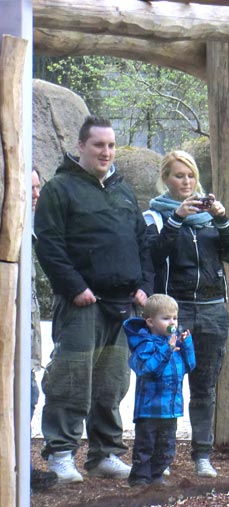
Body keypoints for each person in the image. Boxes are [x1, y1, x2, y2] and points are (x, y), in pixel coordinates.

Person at [34, 115, 154, 484]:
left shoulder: (123, 190)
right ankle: (61, 453)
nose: (106, 152)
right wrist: (74, 287)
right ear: (81, 146)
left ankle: (105, 454)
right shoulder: (60, 188)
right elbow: (49, 245)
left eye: (111, 145)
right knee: (71, 379)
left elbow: (142, 241)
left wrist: (143, 286)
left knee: (112, 382)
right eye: (99, 144)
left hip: (123, 304)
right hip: (82, 303)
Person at [145, 150, 229, 478]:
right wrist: (177, 220)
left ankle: (202, 455)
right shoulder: (157, 216)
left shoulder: (209, 218)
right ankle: (164, 457)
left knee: (205, 387)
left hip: (213, 311)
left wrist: (223, 218)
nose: (185, 182)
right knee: (168, 382)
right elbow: (156, 256)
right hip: (176, 310)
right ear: (165, 179)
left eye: (190, 176)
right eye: (178, 175)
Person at [123, 294, 195, 486]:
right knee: (145, 445)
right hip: (149, 409)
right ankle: (140, 478)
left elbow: (190, 367)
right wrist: (167, 350)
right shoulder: (145, 345)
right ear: (150, 322)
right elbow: (148, 370)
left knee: (166, 446)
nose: (172, 322)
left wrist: (186, 345)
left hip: (170, 409)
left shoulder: (173, 344)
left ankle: (157, 476)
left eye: (174, 318)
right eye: (166, 318)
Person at [29, 168, 57, 492]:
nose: (36, 194)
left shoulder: (33, 231)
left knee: (29, 396)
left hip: (26, 342)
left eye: (38, 187)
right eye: (30, 187)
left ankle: (20, 466)